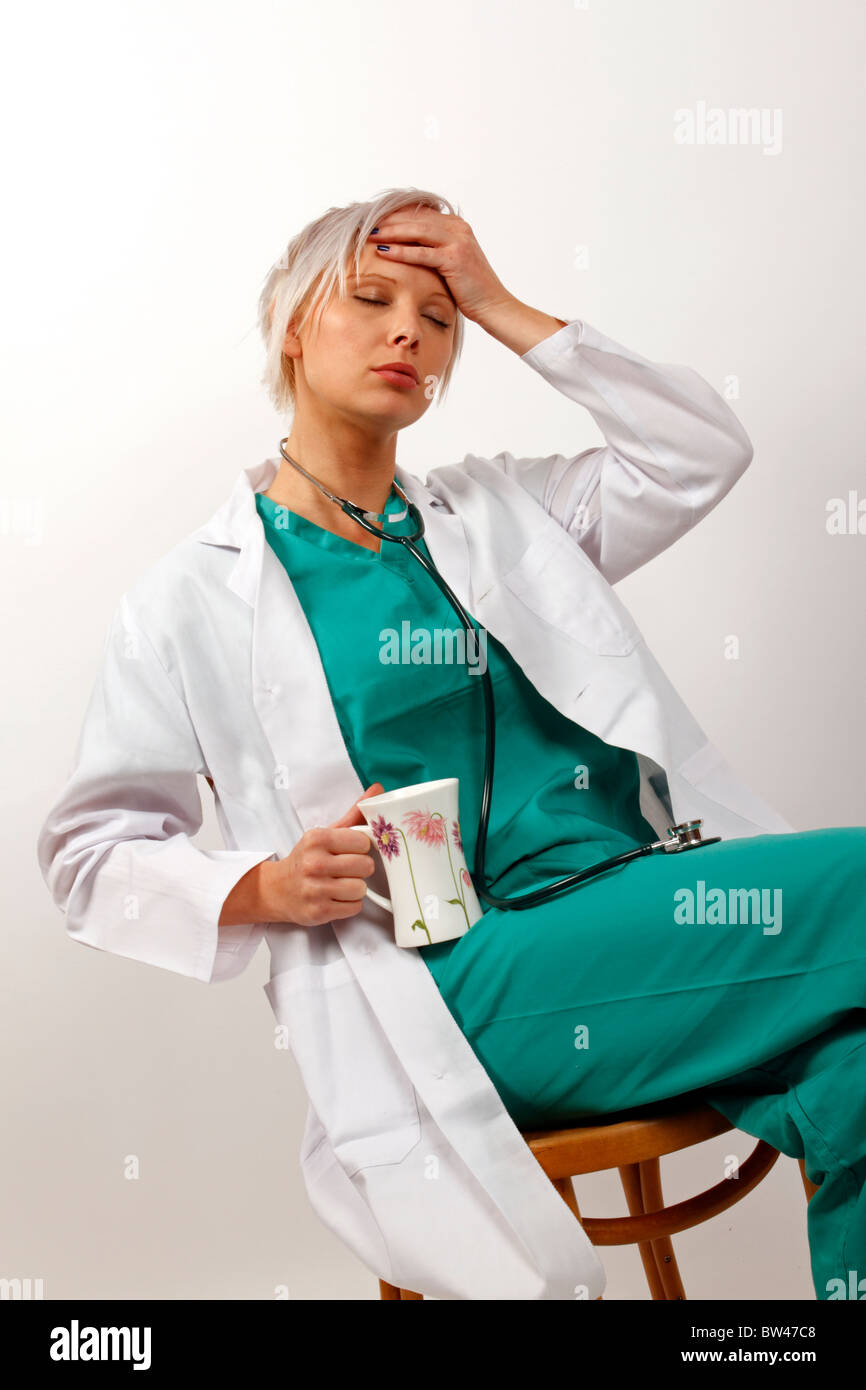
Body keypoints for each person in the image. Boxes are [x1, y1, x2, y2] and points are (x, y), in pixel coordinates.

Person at [37, 186, 866, 1300]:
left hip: (638, 912)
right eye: (370, 300)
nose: (406, 334)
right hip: (457, 980)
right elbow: (92, 858)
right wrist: (269, 884)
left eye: (436, 319)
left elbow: (698, 452)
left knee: (858, 1070)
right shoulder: (194, 597)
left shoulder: (505, 516)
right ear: (292, 327)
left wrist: (503, 303)